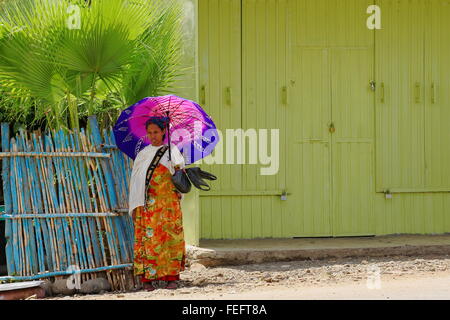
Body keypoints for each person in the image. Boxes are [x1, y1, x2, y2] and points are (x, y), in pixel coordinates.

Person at [128, 116, 186, 291]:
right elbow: (137, 180)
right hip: (148, 205)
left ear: (163, 132)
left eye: (156, 132)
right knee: (149, 239)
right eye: (150, 133)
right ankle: (147, 280)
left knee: (170, 238)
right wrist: (137, 201)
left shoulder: (173, 152)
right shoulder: (143, 155)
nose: (153, 136)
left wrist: (174, 166)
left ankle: (172, 278)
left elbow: (180, 177)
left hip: (169, 204)